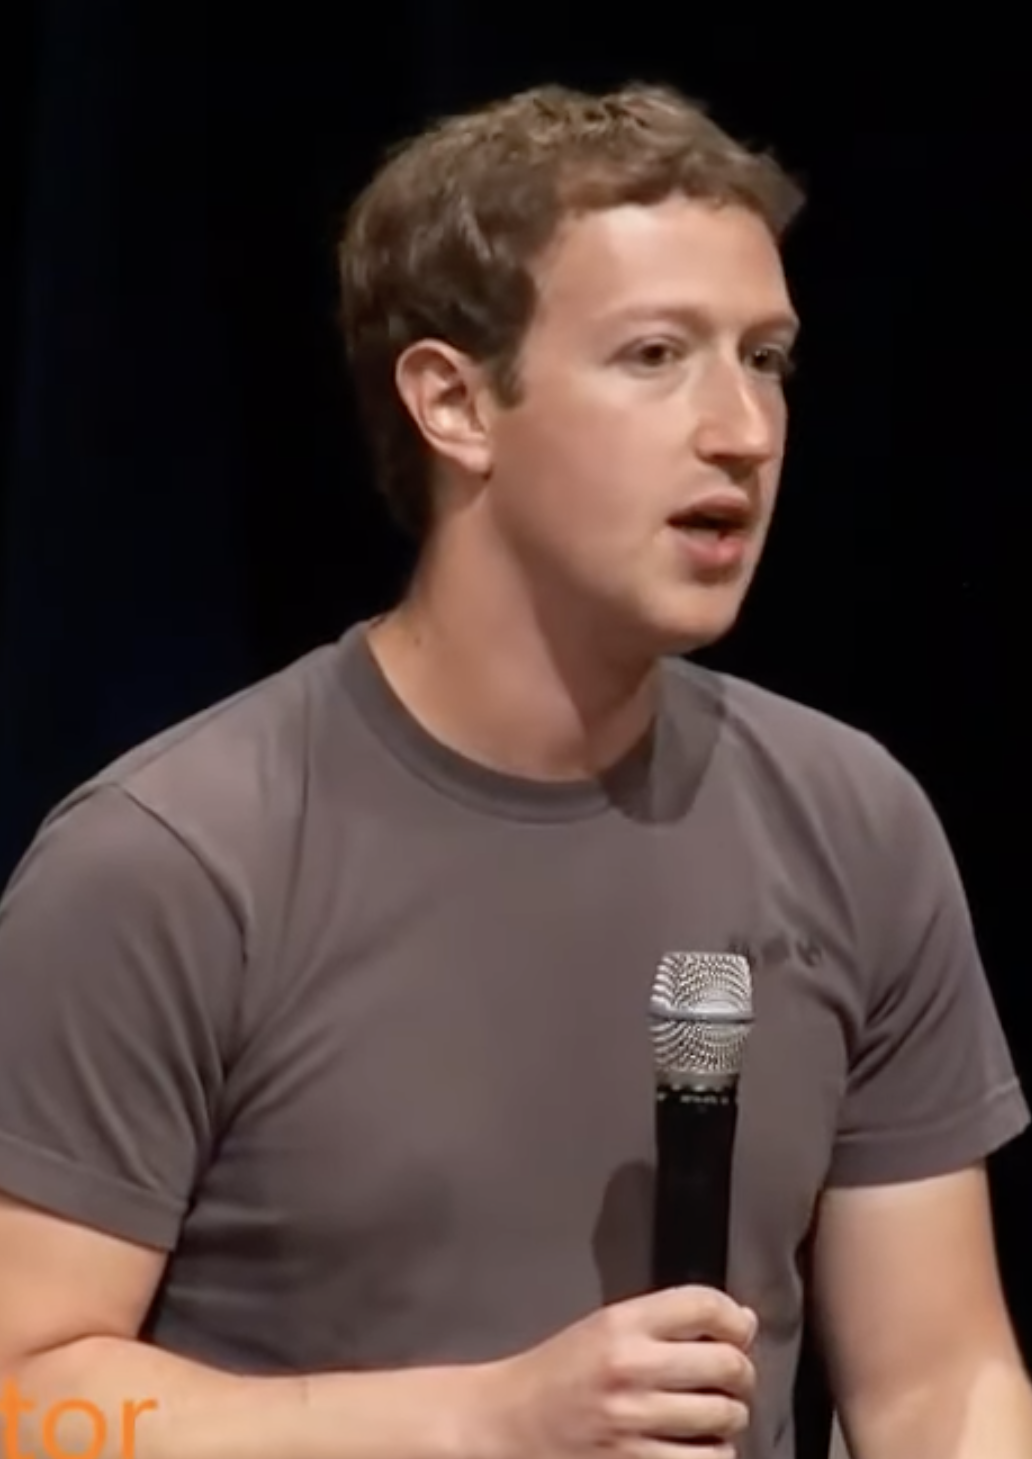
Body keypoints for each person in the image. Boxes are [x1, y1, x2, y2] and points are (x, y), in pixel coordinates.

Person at [0, 81, 1028, 1459]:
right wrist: (487, 1419)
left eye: (767, 358)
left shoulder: (855, 823)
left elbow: (937, 1384)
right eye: (655, 355)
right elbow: (23, 1403)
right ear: (455, 403)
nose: (744, 428)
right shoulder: (171, 859)